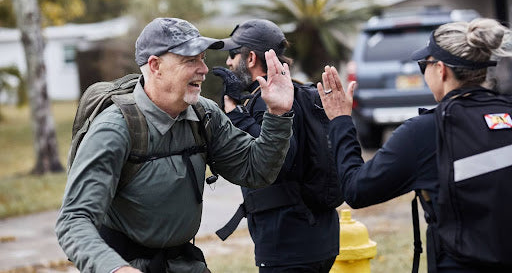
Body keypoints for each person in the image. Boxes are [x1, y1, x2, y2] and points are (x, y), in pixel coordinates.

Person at [55, 17, 295, 273]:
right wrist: (115, 269)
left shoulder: (205, 114)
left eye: (202, 58)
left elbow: (256, 170)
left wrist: (277, 115)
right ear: (155, 65)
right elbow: (74, 220)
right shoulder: (115, 129)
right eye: (191, 60)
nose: (204, 69)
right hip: (126, 264)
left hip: (185, 264)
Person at [317, 18, 512, 273]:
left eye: (424, 65)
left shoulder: (426, 132)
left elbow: (356, 189)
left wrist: (341, 121)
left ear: (441, 69)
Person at [215, 19, 339, 272]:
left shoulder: (267, 101)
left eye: (231, 55)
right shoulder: (298, 93)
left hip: (288, 244)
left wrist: (235, 115)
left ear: (250, 58)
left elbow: (277, 160)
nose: (228, 62)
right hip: (319, 237)